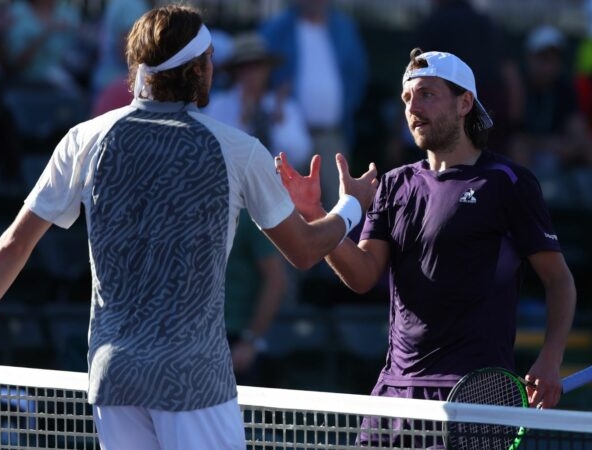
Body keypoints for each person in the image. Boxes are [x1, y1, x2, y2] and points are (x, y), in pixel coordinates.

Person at [0, 5, 378, 450]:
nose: (215, 69)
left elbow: (14, 244)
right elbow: (306, 251)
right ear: (196, 69)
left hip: (113, 377)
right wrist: (351, 205)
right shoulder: (239, 149)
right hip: (193, 380)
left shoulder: (84, 139)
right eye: (211, 59)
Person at [277, 48, 576, 447]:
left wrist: (551, 358)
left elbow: (559, 281)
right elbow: (364, 274)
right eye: (406, 98)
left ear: (464, 102)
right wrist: (316, 215)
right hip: (393, 394)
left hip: (471, 398)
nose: (413, 108)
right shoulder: (395, 184)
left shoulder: (508, 182)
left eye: (427, 94)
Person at [260, 0, 369, 209]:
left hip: (332, 136)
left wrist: (347, 105)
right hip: (287, 137)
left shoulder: (344, 28)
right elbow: (259, 73)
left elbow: (358, 73)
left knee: (339, 209)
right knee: (286, 209)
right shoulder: (277, 28)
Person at [413, 0, 524, 153]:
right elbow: (512, 77)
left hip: (455, 125)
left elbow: (416, 80)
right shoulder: (488, 23)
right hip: (490, 124)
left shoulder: (432, 25)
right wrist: (514, 129)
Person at [509, 25, 592, 208]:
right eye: (542, 58)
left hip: (557, 154)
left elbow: (576, 127)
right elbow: (515, 135)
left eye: (553, 59)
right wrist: (548, 144)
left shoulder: (564, 87)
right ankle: (526, 206)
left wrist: (574, 144)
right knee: (518, 149)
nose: (548, 65)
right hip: (527, 155)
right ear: (529, 58)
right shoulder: (518, 85)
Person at [204, 31, 311, 169]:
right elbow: (216, 155)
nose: (251, 75)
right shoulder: (218, 105)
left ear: (267, 69)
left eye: (257, 67)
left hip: (276, 185)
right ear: (235, 72)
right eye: (244, 68)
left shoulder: (285, 106)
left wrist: (280, 123)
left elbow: (300, 154)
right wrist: (242, 121)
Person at [225, 209, 287, 386]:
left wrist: (250, 341)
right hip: (188, 341)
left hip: (234, 341)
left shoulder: (247, 217)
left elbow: (276, 280)